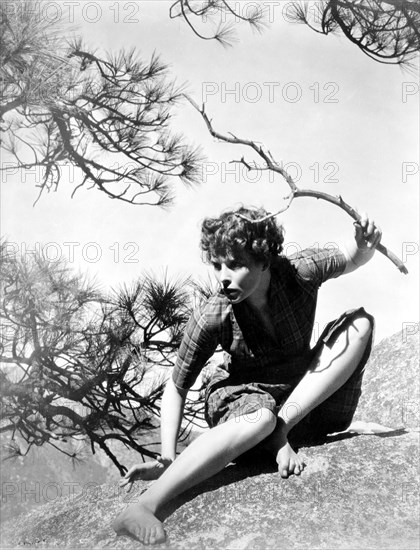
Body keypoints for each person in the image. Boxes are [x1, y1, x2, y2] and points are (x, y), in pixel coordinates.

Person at [113, 205, 382, 545]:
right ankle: (143, 506)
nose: (223, 275)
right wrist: (168, 457)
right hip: (247, 400)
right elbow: (177, 387)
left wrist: (364, 243)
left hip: (303, 395)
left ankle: (282, 430)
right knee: (261, 419)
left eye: (235, 264)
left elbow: (353, 257)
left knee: (360, 324)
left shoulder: (300, 272)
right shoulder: (215, 313)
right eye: (217, 265)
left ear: (264, 259)